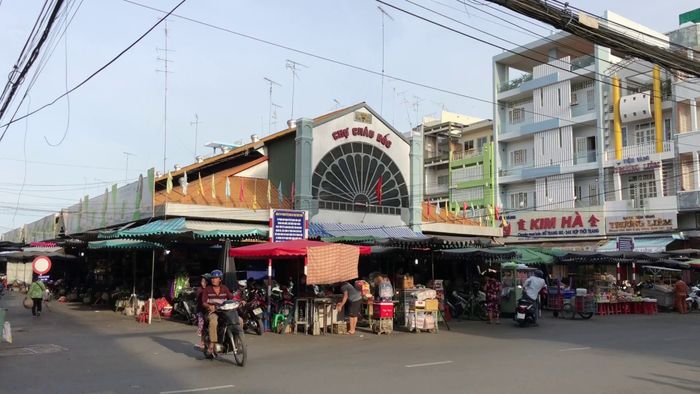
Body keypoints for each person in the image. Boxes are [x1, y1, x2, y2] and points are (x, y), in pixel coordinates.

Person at [200, 270, 238, 355]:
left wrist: (239, 301)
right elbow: (204, 302)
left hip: (224, 311)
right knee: (213, 321)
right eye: (212, 278)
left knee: (240, 320)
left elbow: (232, 298)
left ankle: (237, 340)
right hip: (213, 312)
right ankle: (212, 343)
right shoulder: (207, 289)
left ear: (220, 279)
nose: (214, 280)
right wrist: (209, 306)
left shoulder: (224, 288)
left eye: (216, 278)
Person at [195, 274, 210, 347]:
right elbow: (201, 301)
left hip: (210, 310)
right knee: (203, 326)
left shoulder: (211, 289)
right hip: (201, 311)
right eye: (202, 281)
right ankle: (202, 342)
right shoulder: (200, 290)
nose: (202, 283)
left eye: (204, 282)